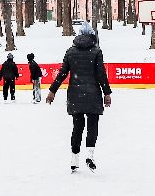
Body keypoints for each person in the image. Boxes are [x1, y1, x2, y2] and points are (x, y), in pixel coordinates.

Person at [47, 25, 112, 172]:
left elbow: (62, 73)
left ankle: (74, 159)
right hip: (93, 94)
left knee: (77, 127)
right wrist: (107, 93)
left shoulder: (71, 51)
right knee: (92, 126)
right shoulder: (96, 51)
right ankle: (89, 155)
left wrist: (52, 91)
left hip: (75, 95)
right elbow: (101, 74)